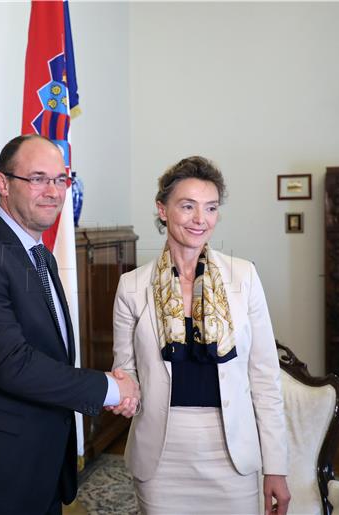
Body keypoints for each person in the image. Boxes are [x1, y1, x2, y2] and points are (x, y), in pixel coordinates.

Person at [0, 134, 139, 515]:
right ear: (3, 183)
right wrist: (109, 388)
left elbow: (48, 354)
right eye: (38, 178)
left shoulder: (38, 254)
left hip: (38, 467)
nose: (53, 192)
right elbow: (13, 364)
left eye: (60, 179)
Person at [110, 156, 290, 515]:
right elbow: (126, 369)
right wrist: (123, 391)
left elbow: (265, 378)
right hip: (161, 454)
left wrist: (276, 466)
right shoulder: (131, 286)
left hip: (232, 451)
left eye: (210, 207)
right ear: (162, 210)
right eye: (187, 206)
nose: (200, 219)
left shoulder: (244, 277)